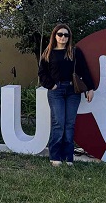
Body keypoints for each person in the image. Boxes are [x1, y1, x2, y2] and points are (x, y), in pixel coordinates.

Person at [38, 23, 95, 166]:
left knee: (69, 124)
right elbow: (42, 73)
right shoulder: (48, 52)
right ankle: (55, 156)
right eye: (60, 34)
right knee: (58, 123)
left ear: (69, 37)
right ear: (55, 36)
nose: (63, 37)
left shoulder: (75, 52)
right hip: (56, 91)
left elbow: (84, 70)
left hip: (72, 91)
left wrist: (90, 88)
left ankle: (68, 157)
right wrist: (51, 85)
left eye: (66, 35)